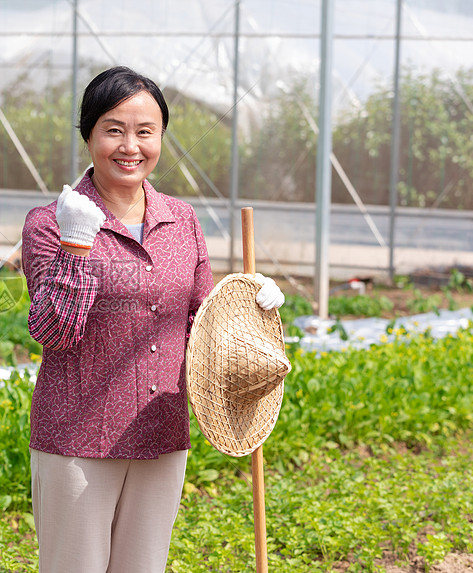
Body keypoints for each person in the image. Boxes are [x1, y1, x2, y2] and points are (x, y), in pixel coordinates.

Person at [21, 66, 284, 573]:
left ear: (161, 137)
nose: (130, 146)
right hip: (78, 437)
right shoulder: (51, 222)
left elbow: (203, 329)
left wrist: (253, 309)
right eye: (113, 129)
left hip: (162, 434)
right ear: (89, 134)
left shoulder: (181, 220)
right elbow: (52, 331)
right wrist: (77, 244)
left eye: (145, 131)